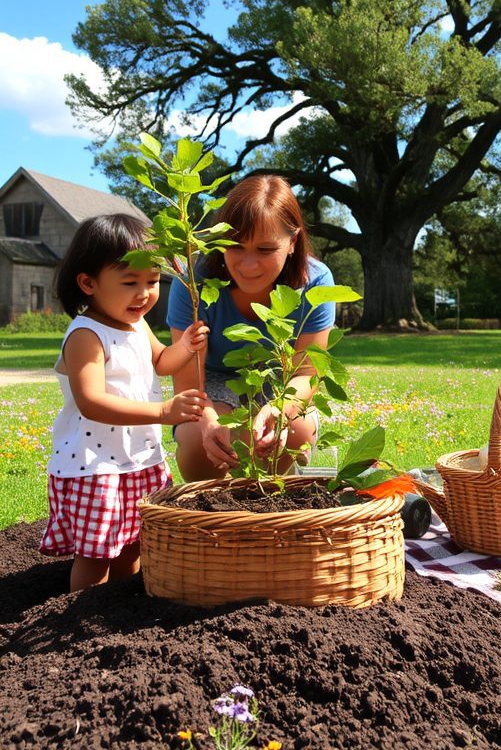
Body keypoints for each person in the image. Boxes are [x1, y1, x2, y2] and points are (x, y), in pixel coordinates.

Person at [40, 214, 208, 591]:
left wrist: (184, 347)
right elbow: (91, 401)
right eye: (130, 282)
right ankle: (80, 614)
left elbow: (161, 361)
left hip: (138, 459)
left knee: (133, 545)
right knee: (97, 553)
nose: (145, 293)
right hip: (95, 466)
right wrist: (163, 412)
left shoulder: (137, 325)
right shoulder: (86, 334)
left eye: (152, 282)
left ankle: (120, 610)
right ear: (88, 283)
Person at [167, 175, 336, 481]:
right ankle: (211, 515)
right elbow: (189, 384)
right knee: (197, 438)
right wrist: (208, 421)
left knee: (295, 431)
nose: (247, 264)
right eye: (235, 246)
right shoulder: (194, 281)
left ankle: (272, 501)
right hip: (213, 381)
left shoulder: (316, 283)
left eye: (265, 249)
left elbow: (307, 373)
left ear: (292, 242)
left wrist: (281, 409)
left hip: (279, 379)